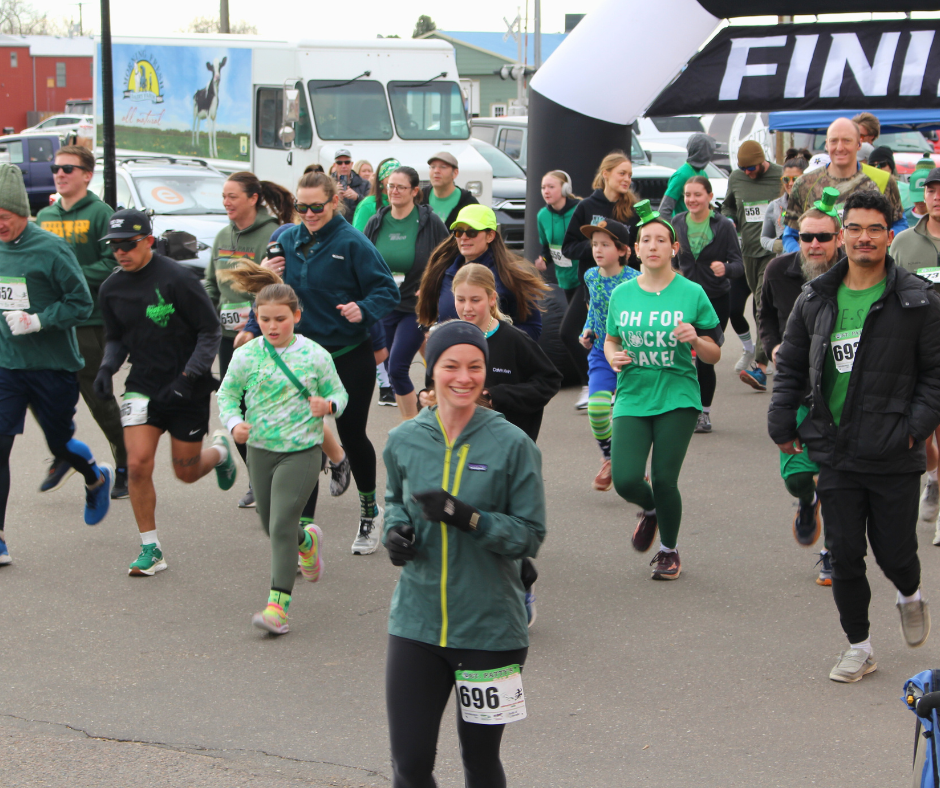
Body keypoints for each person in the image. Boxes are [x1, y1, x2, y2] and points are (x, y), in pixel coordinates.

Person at [769, 190, 940, 683]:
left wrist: (913, 430)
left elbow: (936, 375)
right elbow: (793, 366)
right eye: (855, 228)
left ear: (890, 235)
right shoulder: (816, 297)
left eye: (875, 229)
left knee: (895, 553)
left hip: (894, 451)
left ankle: (909, 593)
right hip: (836, 449)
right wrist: (782, 421)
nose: (864, 237)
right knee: (844, 554)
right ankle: (859, 646)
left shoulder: (918, 300)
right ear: (842, 235)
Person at [382, 319, 546, 788]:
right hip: (416, 625)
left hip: (491, 631)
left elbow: (530, 535)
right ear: (431, 370)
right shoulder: (405, 439)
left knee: (479, 762)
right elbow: (396, 497)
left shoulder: (513, 444)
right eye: (451, 365)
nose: (464, 377)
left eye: (475, 366)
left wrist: (468, 517)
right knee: (410, 766)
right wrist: (395, 530)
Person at [255, 171, 399, 555]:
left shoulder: (352, 242)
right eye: (302, 207)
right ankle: (304, 534)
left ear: (334, 202)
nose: (309, 213)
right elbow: (271, 296)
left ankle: (370, 512)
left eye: (317, 206)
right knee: (305, 443)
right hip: (301, 359)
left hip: (346, 355)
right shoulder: (286, 238)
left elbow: (388, 289)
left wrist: (363, 308)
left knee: (351, 435)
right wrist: (266, 277)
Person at [419, 265, 561, 626]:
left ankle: (523, 580)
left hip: (507, 448)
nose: (467, 307)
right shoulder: (447, 337)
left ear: (492, 299)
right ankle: (469, 595)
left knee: (498, 518)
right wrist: (427, 396)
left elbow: (549, 381)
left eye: (475, 300)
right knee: (470, 515)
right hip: (461, 445)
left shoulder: (513, 341)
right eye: (461, 299)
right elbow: (432, 382)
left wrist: (497, 397)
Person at [94, 209, 232, 576]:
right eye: (114, 246)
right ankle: (151, 549)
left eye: (128, 244)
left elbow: (209, 332)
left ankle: (219, 453)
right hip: (142, 386)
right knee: (137, 465)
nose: (120, 252)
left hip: (187, 385)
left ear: (149, 242)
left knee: (185, 472)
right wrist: (107, 368)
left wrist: (188, 378)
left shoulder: (177, 279)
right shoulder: (111, 288)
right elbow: (116, 337)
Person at [217, 265, 348, 635]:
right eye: (265, 320)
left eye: (280, 319)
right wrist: (233, 424)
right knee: (271, 526)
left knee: (280, 524)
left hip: (302, 450)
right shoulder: (246, 355)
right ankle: (308, 542)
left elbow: (340, 394)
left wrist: (329, 407)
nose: (273, 327)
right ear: (255, 318)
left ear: (296, 316)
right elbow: (226, 394)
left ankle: (278, 608)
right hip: (260, 448)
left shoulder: (315, 355)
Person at [0, 164, 113, 565]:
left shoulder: (50, 249)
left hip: (52, 365)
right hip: (7, 366)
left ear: (21, 213)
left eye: (5, 217)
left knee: (58, 443)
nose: (0, 225)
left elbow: (82, 303)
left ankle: (95, 477)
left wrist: (38, 319)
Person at [604, 200, 722, 580]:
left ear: (674, 248)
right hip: (634, 392)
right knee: (624, 479)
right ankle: (652, 509)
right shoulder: (622, 294)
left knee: (665, 477)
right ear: (635, 249)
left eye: (661, 240)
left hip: (677, 393)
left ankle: (669, 550)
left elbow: (714, 352)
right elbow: (610, 340)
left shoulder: (692, 293)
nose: (653, 246)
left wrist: (696, 341)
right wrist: (613, 357)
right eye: (645, 240)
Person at [36, 144, 128, 499]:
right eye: (56, 168)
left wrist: (68, 274)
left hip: (89, 321)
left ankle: (125, 464)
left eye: (68, 169)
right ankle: (65, 451)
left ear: (87, 175)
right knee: (42, 396)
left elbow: (113, 263)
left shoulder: (100, 212)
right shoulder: (45, 217)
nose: (60, 173)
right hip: (52, 323)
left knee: (99, 398)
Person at [759, 200, 843, 586]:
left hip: (840, 393)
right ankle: (806, 502)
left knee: (836, 478)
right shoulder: (778, 270)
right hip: (796, 388)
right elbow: (765, 314)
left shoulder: (854, 277)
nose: (813, 244)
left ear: (838, 239)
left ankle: (832, 554)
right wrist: (773, 345)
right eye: (806, 236)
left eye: (822, 237)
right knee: (798, 477)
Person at [205, 172, 293, 509]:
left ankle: (286, 472)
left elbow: (279, 285)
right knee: (236, 410)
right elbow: (211, 282)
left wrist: (257, 320)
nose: (226, 202)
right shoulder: (222, 236)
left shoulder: (272, 233)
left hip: (265, 338)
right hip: (230, 339)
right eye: (224, 197)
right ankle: (259, 479)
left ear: (253, 198)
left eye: (233, 196)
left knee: (268, 409)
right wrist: (211, 313)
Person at [363, 166, 448, 419]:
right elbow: (364, 259)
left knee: (398, 366)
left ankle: (414, 424)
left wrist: (432, 284)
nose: (394, 191)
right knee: (389, 366)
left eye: (400, 187)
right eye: (390, 186)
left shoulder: (428, 221)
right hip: (385, 305)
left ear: (414, 191)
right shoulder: (377, 221)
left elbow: (448, 255)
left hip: (415, 307)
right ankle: (410, 423)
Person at [562, 151, 640, 409]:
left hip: (626, 284)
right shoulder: (586, 207)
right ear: (605, 174)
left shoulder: (633, 209)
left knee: (621, 335)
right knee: (571, 332)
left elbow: (639, 248)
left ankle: (620, 387)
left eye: (630, 174)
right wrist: (599, 247)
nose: (627, 179)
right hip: (593, 285)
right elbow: (568, 247)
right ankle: (591, 384)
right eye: (622, 173)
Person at [672, 176, 745, 433]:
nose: (691, 200)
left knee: (705, 357)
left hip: (714, 299)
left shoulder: (723, 225)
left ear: (710, 196)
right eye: (687, 195)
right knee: (676, 355)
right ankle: (675, 409)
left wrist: (724, 268)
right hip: (682, 299)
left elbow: (739, 265)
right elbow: (671, 259)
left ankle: (703, 413)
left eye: (697, 194)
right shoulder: (677, 222)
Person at [890, 168, 940, 542]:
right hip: (913, 348)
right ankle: (934, 477)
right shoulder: (904, 242)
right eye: (932, 189)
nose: (937, 195)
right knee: (922, 434)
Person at [417, 204, 548, 341]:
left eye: (472, 232)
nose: (464, 237)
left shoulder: (510, 276)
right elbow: (430, 319)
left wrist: (493, 344)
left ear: (490, 236)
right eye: (458, 232)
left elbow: (532, 328)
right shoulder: (442, 272)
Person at [576, 218, 639, 490]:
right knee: (598, 408)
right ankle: (610, 457)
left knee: (632, 418)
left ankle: (632, 467)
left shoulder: (636, 279)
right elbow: (594, 309)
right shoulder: (590, 275)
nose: (598, 250)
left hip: (633, 355)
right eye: (594, 244)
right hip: (601, 353)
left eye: (605, 244)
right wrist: (587, 330)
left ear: (623, 250)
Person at [783, 118, 907, 254]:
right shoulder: (804, 184)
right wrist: (803, 256)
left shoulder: (883, 180)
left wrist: (878, 244)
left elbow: (899, 225)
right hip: (821, 271)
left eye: (847, 141)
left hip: (867, 268)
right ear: (826, 145)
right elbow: (790, 234)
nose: (840, 148)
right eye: (834, 141)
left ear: (859, 144)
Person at [720, 141, 783, 391]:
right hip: (746, 252)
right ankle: (767, 350)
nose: (748, 172)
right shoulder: (736, 178)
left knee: (761, 305)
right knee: (736, 308)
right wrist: (728, 220)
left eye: (752, 167)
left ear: (763, 160)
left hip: (772, 251)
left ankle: (760, 366)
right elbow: (728, 206)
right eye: (743, 168)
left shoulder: (780, 175)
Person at [536, 170, 585, 392]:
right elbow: (547, 247)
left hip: (584, 276)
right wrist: (544, 259)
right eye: (544, 187)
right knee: (578, 330)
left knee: (576, 328)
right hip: (563, 278)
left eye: (551, 186)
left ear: (565, 189)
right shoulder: (542, 216)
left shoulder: (579, 210)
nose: (546, 191)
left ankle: (591, 382)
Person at [760, 148, 811, 256]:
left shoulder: (816, 204)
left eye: (796, 179)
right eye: (786, 179)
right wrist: (776, 244)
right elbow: (764, 238)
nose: (791, 183)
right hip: (785, 265)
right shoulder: (775, 206)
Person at [658, 133, 718, 219]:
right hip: (684, 229)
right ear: (704, 152)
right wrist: (675, 230)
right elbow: (664, 210)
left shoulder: (703, 174)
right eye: (710, 151)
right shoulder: (681, 175)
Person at [420, 151, 479, 227]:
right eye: (432, 167)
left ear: (455, 173)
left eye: (443, 167)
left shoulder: (468, 203)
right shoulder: (420, 198)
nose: (436, 171)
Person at [352, 157, 399, 232]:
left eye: (400, 177)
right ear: (381, 180)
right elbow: (358, 236)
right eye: (390, 176)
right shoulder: (368, 205)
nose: (396, 181)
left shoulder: (405, 203)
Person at [333, 148, 369, 215]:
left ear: (351, 164)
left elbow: (371, 205)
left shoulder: (364, 184)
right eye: (339, 163)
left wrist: (357, 197)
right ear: (334, 165)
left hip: (355, 223)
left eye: (346, 162)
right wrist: (334, 196)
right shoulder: (327, 183)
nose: (343, 166)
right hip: (334, 223)